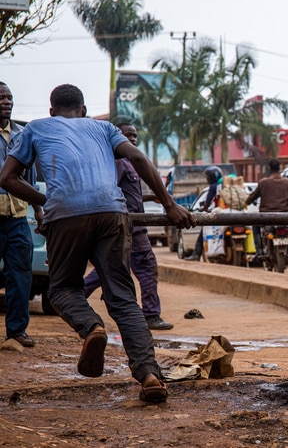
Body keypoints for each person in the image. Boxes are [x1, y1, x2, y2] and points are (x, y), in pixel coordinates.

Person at [0, 84, 195, 403]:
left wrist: (46, 201)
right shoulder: (104, 128)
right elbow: (138, 158)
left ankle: (92, 328)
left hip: (65, 215)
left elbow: (7, 178)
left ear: (52, 111)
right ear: (84, 109)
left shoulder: (34, 128)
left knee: (62, 289)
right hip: (112, 211)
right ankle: (149, 375)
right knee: (122, 296)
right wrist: (170, 204)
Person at [82, 122, 174, 331]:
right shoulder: (118, 163)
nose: (132, 139)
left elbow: (130, 195)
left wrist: (152, 196)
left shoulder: (126, 163)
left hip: (129, 223)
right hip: (130, 225)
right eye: (128, 135)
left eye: (134, 136)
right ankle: (151, 314)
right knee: (146, 266)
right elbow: (112, 191)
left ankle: (73, 299)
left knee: (108, 267)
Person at [0, 81, 39, 348]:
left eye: (9, 97)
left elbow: (32, 179)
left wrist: (39, 208)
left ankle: (16, 331)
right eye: (1, 97)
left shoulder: (22, 135)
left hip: (17, 218)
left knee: (20, 274)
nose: (6, 101)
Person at [245, 158, 288, 255]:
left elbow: (253, 196)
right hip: (283, 216)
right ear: (280, 168)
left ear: (269, 168)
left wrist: (247, 202)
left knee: (255, 225)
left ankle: (260, 251)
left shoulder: (263, 183)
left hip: (266, 216)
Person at [184, 165, 223, 261]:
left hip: (218, 213)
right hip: (230, 212)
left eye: (208, 177)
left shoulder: (213, 186)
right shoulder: (223, 184)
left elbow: (207, 203)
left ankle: (196, 254)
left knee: (203, 231)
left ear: (213, 177)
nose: (207, 179)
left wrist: (202, 209)